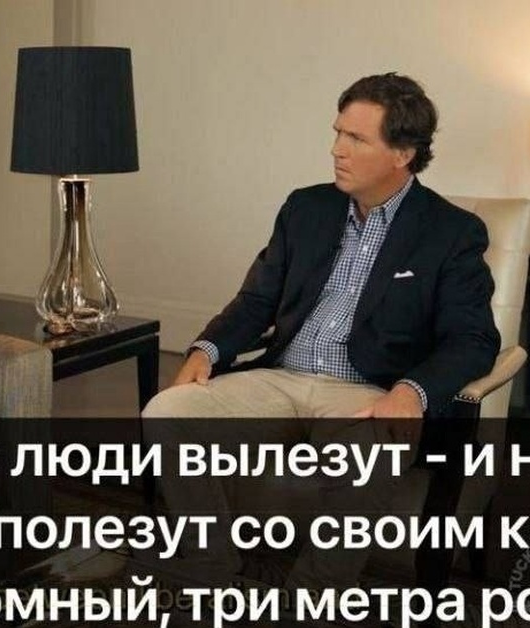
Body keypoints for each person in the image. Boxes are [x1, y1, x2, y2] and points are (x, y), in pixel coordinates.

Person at [142, 73, 500, 587]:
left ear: (402, 153)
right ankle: (210, 565)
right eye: (337, 133)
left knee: (372, 454)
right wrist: (207, 349)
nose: (337, 149)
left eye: (356, 139)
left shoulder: (451, 231)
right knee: (168, 412)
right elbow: (257, 301)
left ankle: (315, 594)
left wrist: (412, 392)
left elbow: (473, 339)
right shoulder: (306, 207)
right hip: (280, 378)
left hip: (368, 391)